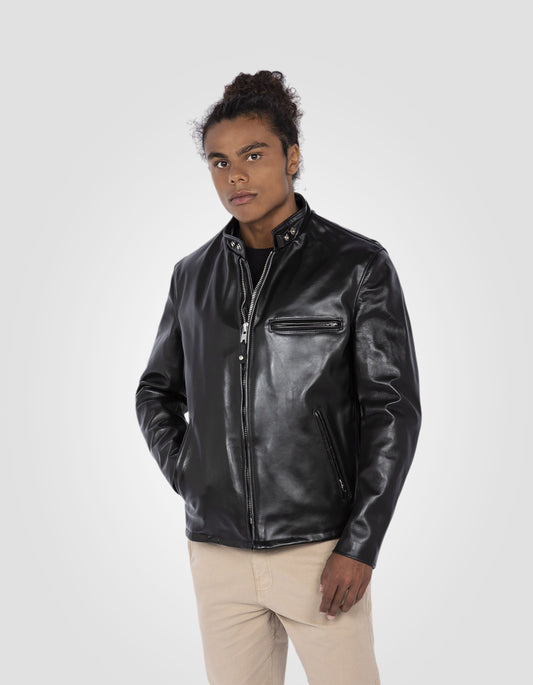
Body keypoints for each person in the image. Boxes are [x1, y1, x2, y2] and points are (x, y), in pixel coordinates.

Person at [135, 69, 422, 685]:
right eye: (218, 162)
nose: (234, 176)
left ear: (292, 157)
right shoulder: (192, 276)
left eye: (253, 155)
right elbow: (156, 391)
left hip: (321, 549)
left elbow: (392, 409)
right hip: (217, 554)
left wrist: (360, 544)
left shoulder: (357, 266)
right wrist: (191, 474)